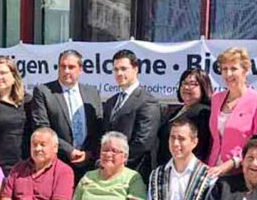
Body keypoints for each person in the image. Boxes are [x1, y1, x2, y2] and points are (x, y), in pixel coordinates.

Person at [31, 50, 103, 180]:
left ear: (80, 69)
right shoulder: (44, 92)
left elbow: (98, 128)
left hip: (89, 164)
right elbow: (42, 127)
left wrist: (89, 153)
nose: (66, 71)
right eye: (62, 66)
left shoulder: (92, 93)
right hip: (58, 162)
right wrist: (69, 150)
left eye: (71, 67)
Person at [207, 47, 257, 177]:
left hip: (241, 174)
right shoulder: (216, 99)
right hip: (213, 170)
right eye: (224, 69)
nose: (228, 74)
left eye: (233, 69)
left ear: (245, 71)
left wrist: (231, 163)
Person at [103, 49, 161, 182]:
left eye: (124, 69)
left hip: (134, 172)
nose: (119, 73)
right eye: (116, 69)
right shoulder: (111, 102)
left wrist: (116, 162)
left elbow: (143, 142)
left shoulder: (147, 101)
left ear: (135, 69)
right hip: (110, 171)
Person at [157, 68, 212, 166]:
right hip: (167, 166)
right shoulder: (177, 111)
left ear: (204, 87)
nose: (187, 87)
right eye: (184, 83)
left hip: (185, 169)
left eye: (193, 84)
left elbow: (202, 148)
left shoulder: (203, 113)